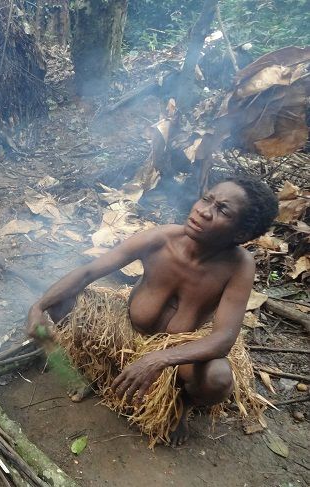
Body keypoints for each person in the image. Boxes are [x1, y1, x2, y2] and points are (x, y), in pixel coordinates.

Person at [27, 176, 279, 446]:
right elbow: (89, 271)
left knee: (217, 378)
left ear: (240, 234)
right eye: (207, 199)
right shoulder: (160, 239)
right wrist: (38, 306)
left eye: (222, 210)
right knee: (63, 302)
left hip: (179, 347)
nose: (203, 211)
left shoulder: (239, 266)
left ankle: (180, 406)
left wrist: (157, 359)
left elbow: (223, 340)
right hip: (125, 329)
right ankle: (95, 371)